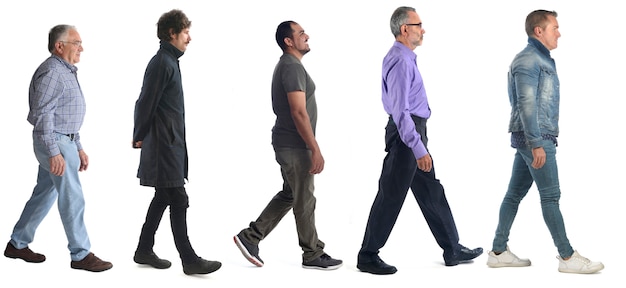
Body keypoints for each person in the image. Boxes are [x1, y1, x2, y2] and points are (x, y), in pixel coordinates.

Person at [356, 6, 483, 275]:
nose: (423, 30)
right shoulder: (401, 61)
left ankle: (452, 247)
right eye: (418, 25)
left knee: (430, 190)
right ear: (405, 29)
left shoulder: (404, 57)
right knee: (391, 194)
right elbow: (400, 111)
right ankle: (367, 255)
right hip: (407, 135)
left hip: (412, 132)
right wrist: (417, 146)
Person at [486, 10, 604, 274]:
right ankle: (567, 256)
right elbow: (525, 104)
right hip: (536, 138)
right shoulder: (529, 61)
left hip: (532, 137)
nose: (559, 33)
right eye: (555, 28)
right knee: (551, 196)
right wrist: (536, 143)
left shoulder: (541, 59)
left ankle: (498, 250)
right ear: (539, 31)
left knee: (514, 194)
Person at [233, 20, 342, 271]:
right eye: (301, 33)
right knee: (304, 198)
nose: (307, 36)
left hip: (290, 143)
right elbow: (298, 112)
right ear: (289, 41)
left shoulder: (290, 65)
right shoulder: (291, 67)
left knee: (291, 194)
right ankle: (312, 252)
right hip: (295, 145)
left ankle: (251, 236)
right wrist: (314, 148)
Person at [4, 25, 113, 272]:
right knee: (72, 197)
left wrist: (79, 146)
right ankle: (81, 254)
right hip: (55, 142)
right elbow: (43, 115)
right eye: (77, 42)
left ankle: (17, 244)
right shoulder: (53, 72)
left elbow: (66, 115)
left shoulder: (65, 71)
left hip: (65, 140)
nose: (81, 47)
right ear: (59, 46)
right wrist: (55, 152)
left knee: (45, 193)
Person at [132, 9, 221, 275]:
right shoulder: (162, 62)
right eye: (185, 32)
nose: (189, 38)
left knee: (163, 196)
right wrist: (139, 134)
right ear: (172, 33)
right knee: (178, 198)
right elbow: (146, 101)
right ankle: (189, 259)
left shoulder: (170, 61)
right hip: (164, 145)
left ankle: (143, 249)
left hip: (170, 143)